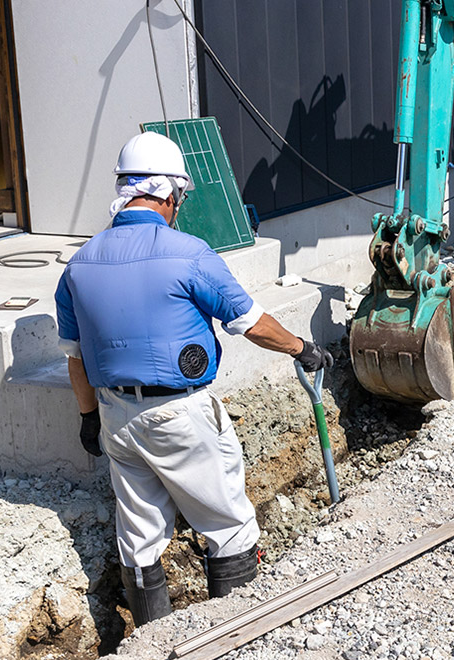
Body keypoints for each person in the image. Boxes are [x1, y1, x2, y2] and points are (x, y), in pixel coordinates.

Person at [55, 131, 332, 627]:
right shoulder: (188, 253)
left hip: (116, 414)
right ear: (168, 194)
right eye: (179, 198)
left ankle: (151, 642)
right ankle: (235, 640)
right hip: (180, 414)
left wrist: (87, 420)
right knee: (226, 523)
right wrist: (302, 348)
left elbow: (76, 359)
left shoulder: (79, 263)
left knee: (138, 535)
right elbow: (251, 323)